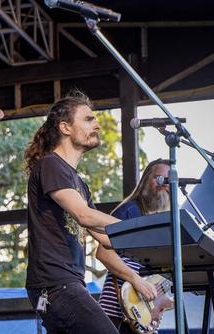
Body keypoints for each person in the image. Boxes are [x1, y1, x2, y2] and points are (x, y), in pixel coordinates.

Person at [24, 91, 154, 334]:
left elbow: (104, 236)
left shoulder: (78, 183)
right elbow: (84, 216)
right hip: (55, 284)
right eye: (88, 119)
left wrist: (153, 251)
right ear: (65, 127)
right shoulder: (51, 164)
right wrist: (140, 229)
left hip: (67, 283)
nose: (97, 125)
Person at [97, 159, 172, 333]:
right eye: (158, 178)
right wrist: (136, 281)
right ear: (146, 180)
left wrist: (158, 302)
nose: (163, 185)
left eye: (167, 181)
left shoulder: (164, 224)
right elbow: (103, 253)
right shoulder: (130, 211)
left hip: (143, 314)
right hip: (118, 309)